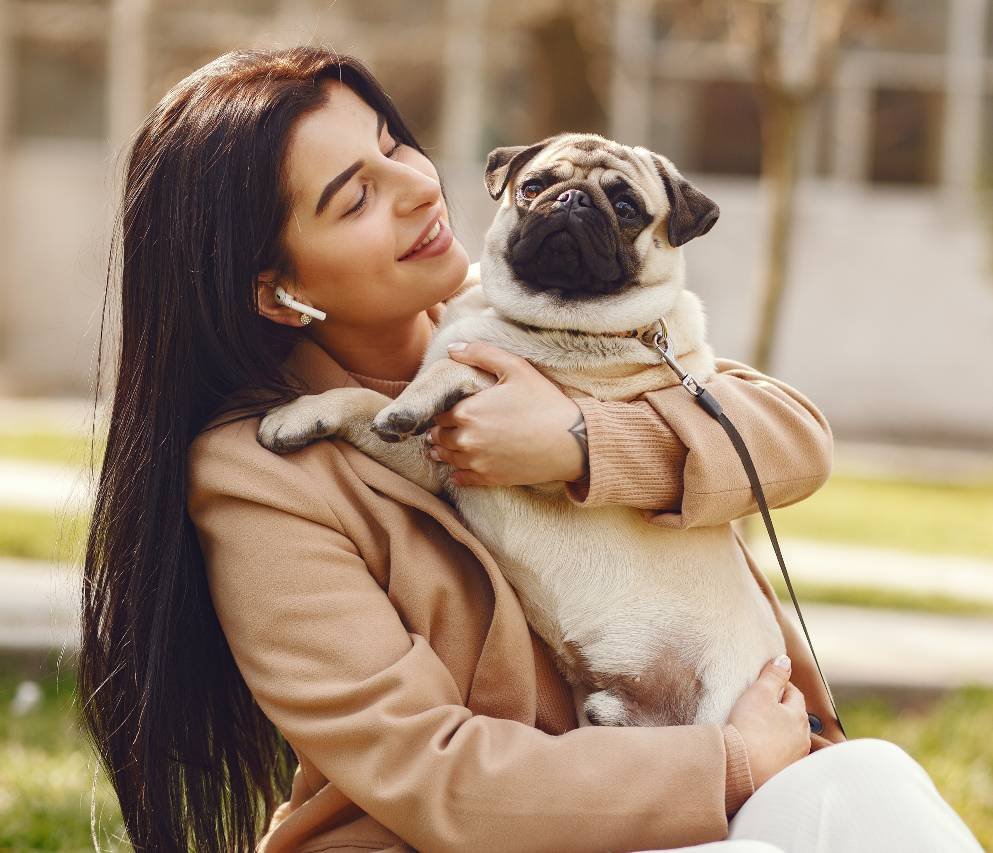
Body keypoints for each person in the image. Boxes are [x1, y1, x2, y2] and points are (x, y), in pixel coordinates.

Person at [77, 46, 982, 853]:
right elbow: (432, 772)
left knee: (870, 781)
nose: (419, 187)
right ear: (278, 293)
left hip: (688, 779)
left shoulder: (531, 312)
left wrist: (578, 443)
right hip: (494, 833)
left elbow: (788, 440)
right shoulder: (256, 475)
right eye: (355, 196)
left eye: (395, 145)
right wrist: (729, 761)